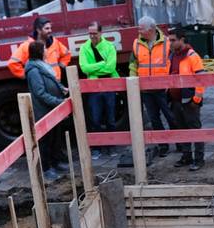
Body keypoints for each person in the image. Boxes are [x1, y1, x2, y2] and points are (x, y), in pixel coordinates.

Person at [129, 16, 175, 158]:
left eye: (141, 29)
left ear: (151, 30)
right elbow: (133, 64)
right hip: (146, 89)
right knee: (154, 118)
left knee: (171, 116)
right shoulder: (136, 43)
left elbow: (173, 65)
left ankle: (180, 142)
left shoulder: (167, 43)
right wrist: (133, 83)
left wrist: (170, 84)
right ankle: (163, 145)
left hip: (163, 88)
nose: (139, 31)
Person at [24, 40, 68, 181]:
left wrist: (61, 89)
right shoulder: (34, 71)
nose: (47, 51)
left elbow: (52, 81)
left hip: (52, 109)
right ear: (39, 52)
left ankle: (56, 163)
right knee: (45, 141)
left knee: (55, 137)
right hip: (44, 111)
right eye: (44, 49)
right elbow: (40, 93)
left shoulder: (42, 66)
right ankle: (47, 168)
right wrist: (58, 102)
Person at [78, 21, 119, 161]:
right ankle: (97, 148)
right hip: (93, 87)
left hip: (109, 86)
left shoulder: (109, 46)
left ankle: (111, 145)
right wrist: (102, 64)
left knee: (111, 118)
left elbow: (111, 68)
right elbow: (84, 68)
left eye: (94, 33)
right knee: (94, 118)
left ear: (101, 33)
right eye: (90, 33)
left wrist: (94, 68)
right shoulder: (84, 48)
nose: (92, 36)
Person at [166, 26, 205, 170]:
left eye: (173, 40)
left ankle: (199, 159)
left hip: (189, 100)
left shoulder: (192, 56)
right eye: (169, 40)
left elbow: (201, 80)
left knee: (195, 129)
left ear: (181, 39)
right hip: (176, 99)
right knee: (182, 130)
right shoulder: (172, 55)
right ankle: (187, 156)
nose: (170, 43)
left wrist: (197, 99)